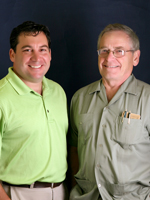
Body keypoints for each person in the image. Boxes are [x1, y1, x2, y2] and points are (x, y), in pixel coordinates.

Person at [69, 23, 150, 200]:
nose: (109, 58)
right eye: (104, 51)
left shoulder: (148, 98)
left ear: (135, 57)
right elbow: (74, 149)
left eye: (119, 51)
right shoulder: (79, 98)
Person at [0, 21, 68, 200]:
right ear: (12, 54)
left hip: (61, 192)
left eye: (43, 49)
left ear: (50, 54)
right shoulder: (2, 97)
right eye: (27, 50)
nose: (37, 58)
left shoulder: (58, 92)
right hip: (18, 194)